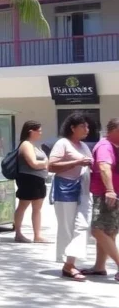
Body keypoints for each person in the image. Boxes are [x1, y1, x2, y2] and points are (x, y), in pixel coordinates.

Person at [48, 112, 94, 281]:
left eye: (87, 126)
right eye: (83, 126)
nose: (86, 129)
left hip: (83, 189)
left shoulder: (83, 146)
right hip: (65, 189)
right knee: (67, 228)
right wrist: (77, 162)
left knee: (83, 225)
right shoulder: (63, 143)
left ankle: (71, 262)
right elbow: (51, 166)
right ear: (72, 128)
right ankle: (69, 265)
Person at [85, 118, 119, 280]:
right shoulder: (106, 146)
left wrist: (111, 191)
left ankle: (102, 266)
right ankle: (99, 266)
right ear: (114, 131)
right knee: (105, 230)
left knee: (101, 230)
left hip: (110, 194)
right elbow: (104, 167)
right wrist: (111, 190)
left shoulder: (112, 146)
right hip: (108, 193)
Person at [14, 121, 50, 244]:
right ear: (31, 131)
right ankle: (18, 233)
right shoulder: (26, 145)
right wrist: (46, 163)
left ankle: (37, 235)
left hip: (38, 179)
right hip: (28, 179)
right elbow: (33, 163)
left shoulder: (34, 145)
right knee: (23, 206)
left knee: (37, 208)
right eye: (38, 130)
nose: (41, 133)